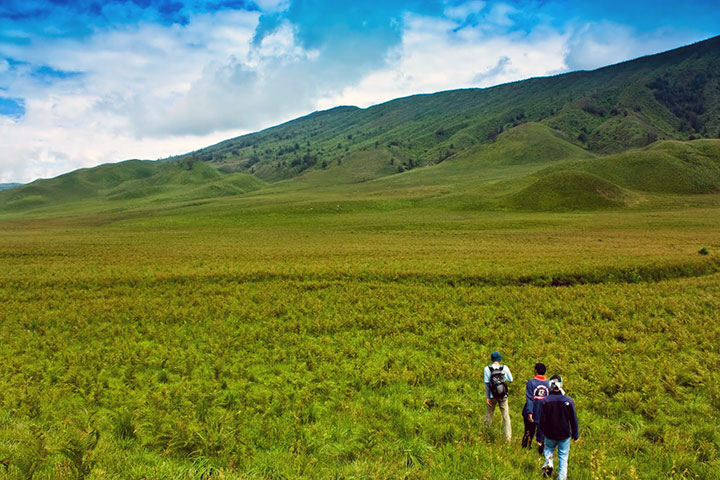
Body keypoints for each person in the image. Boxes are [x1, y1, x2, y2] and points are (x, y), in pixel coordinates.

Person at [534, 375, 579, 480]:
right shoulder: (568, 401)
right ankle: (561, 478)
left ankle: (549, 462)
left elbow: (542, 421)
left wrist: (539, 437)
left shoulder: (545, 401)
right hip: (564, 434)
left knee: (548, 449)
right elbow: (573, 419)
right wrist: (575, 434)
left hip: (549, 433)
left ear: (550, 385)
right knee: (563, 457)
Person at [483, 350, 513, 441]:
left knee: (489, 415)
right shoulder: (505, 368)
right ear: (500, 359)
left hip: (492, 396)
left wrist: (488, 397)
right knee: (506, 417)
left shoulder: (487, 369)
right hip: (503, 396)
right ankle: (508, 438)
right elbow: (511, 379)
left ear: (492, 359)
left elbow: (487, 384)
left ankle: (485, 434)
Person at [521, 362, 549, 453]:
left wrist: (529, 412)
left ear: (535, 371)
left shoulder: (531, 382)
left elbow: (530, 399)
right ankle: (541, 451)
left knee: (529, 431)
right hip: (544, 413)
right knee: (543, 433)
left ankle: (525, 449)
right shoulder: (548, 384)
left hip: (533, 410)